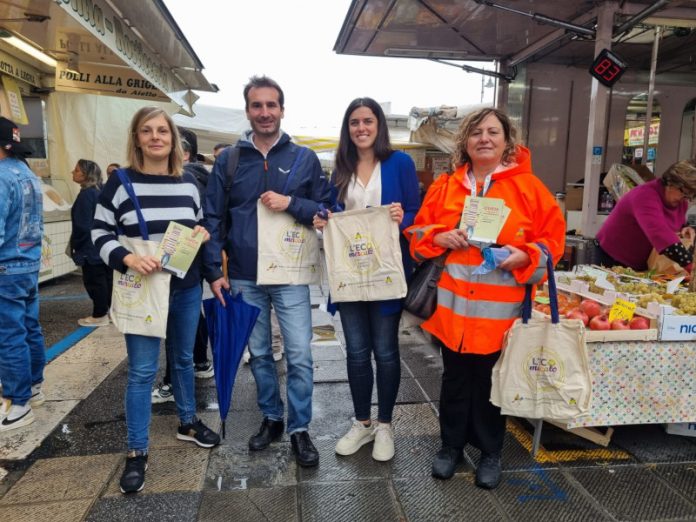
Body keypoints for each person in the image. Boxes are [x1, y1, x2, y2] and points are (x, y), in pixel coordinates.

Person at [404, 107, 565, 488]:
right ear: (466, 142)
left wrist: (526, 255)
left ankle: (491, 452)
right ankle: (450, 447)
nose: (484, 139)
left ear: (507, 140)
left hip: (501, 313)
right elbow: (418, 235)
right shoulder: (447, 187)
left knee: (493, 384)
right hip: (454, 309)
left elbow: (552, 243)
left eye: (493, 132)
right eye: (476, 132)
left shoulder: (529, 189)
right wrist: (437, 237)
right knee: (455, 380)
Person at [203, 75, 330, 467]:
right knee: (259, 353)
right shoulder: (229, 160)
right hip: (243, 276)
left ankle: (300, 428)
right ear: (248, 111)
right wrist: (214, 271)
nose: (264, 112)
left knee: (299, 355)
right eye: (257, 106)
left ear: (282, 110)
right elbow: (212, 218)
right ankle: (272, 418)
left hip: (290, 274)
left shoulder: (303, 158)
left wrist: (291, 201)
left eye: (271, 105)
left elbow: (323, 212)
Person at [92, 107, 220, 494]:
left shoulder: (190, 183)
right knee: (143, 371)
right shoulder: (119, 182)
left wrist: (202, 235)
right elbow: (97, 233)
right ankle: (136, 451)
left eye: (162, 130)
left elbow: (202, 224)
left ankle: (186, 420)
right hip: (142, 288)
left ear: (173, 138)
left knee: (183, 359)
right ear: (137, 138)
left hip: (183, 287)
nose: (155, 137)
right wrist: (126, 257)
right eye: (147, 131)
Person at [312, 97, 419, 461]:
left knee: (386, 352)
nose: (361, 128)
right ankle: (362, 423)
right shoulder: (340, 169)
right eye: (354, 122)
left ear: (379, 125)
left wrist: (402, 217)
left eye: (368, 121)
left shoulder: (400, 163)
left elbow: (416, 214)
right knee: (357, 353)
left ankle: (385, 425)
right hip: (350, 276)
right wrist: (322, 219)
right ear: (348, 128)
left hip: (386, 273)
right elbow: (329, 210)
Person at [152, 136, 214, 404]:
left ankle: (172, 384)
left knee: (174, 332)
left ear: (184, 153)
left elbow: (202, 221)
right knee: (189, 320)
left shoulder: (186, 179)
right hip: (189, 264)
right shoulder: (200, 177)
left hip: (178, 264)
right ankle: (200, 363)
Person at [0, 116, 46, 432]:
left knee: (9, 335)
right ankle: (35, 385)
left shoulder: (0, 177)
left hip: (5, 268)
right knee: (30, 327)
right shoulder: (27, 174)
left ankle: (19, 402)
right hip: (28, 264)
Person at [596, 160, 696, 271]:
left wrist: (684, 229)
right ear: (671, 183)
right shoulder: (644, 195)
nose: (686, 198)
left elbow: (674, 225)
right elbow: (659, 232)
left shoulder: (681, 203)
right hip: (611, 258)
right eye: (684, 193)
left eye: (691, 195)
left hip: (641, 265)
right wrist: (690, 265)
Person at [69, 159, 113, 327]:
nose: (73, 172)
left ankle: (100, 314)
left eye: (77, 170)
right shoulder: (99, 191)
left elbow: (82, 226)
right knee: (106, 280)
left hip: (89, 247)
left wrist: (77, 247)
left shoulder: (86, 195)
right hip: (102, 245)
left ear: (85, 175)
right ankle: (108, 311)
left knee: (94, 282)